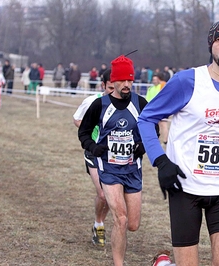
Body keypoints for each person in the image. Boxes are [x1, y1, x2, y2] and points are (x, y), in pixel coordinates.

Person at [138, 20, 219, 266]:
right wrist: (161, 161)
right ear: (211, 47)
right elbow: (146, 119)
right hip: (185, 188)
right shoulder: (187, 81)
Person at [78, 55, 149, 266]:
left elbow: (151, 130)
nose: (126, 84)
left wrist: (142, 147)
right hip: (108, 169)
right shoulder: (99, 105)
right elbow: (83, 132)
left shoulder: (140, 103)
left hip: (133, 170)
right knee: (121, 218)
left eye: (130, 80)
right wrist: (94, 147)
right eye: (122, 81)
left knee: (133, 224)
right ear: (113, 82)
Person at [73, 69, 114, 247]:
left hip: (115, 155)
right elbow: (77, 119)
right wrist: (92, 129)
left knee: (111, 197)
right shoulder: (92, 101)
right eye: (111, 87)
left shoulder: (128, 102)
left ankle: (101, 221)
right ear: (103, 85)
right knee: (103, 194)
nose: (115, 91)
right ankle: (99, 225)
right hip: (94, 152)